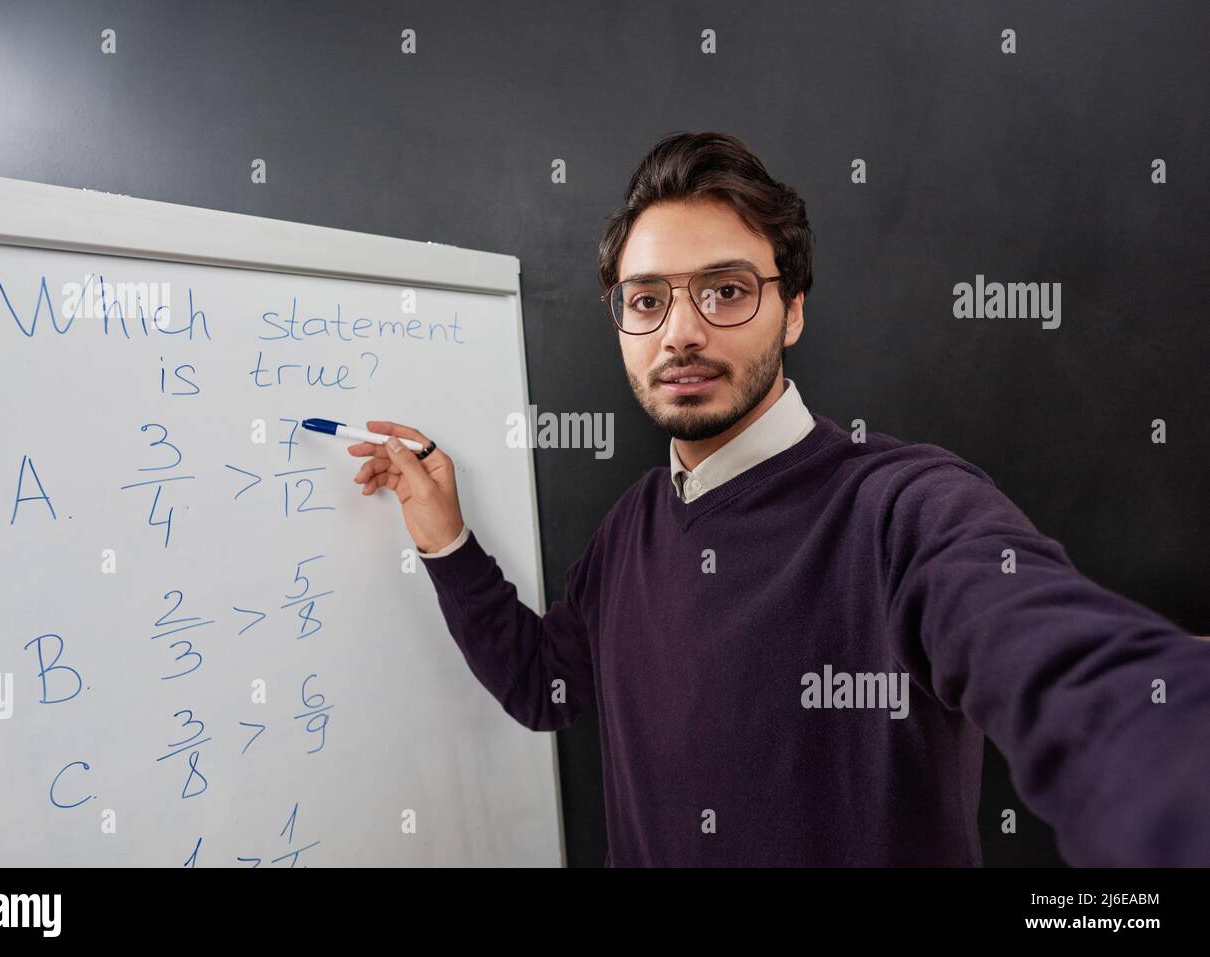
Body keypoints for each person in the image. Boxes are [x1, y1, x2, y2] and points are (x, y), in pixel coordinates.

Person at [345, 131, 1210, 866]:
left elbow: (1070, 665)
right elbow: (545, 688)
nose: (681, 329)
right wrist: (445, 538)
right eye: (647, 300)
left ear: (791, 309)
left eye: (725, 290)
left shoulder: (905, 509)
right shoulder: (630, 529)